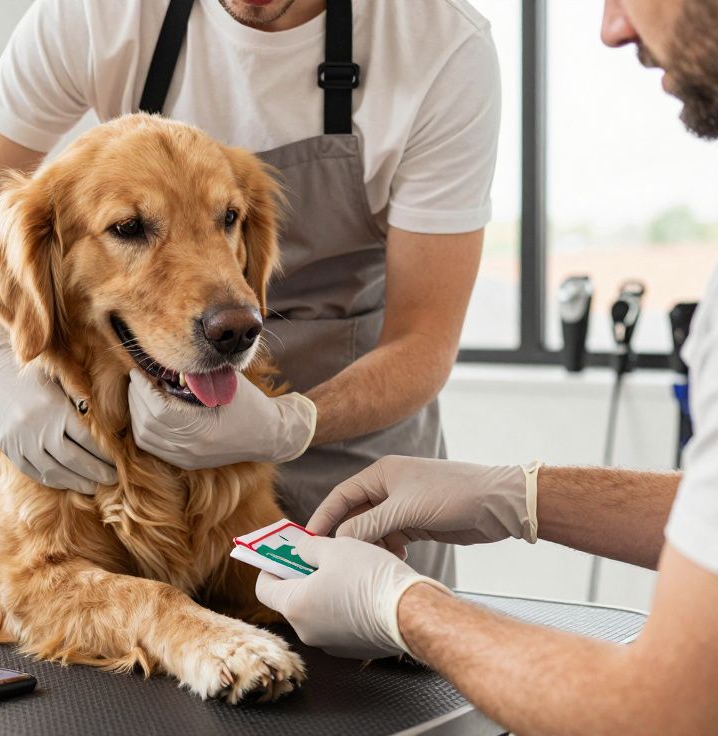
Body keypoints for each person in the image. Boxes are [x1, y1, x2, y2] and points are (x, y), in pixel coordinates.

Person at [0, 0, 503, 584]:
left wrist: (290, 423)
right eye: (132, 227)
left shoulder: (440, 45)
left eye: (226, 219)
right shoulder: (102, 14)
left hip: (358, 456)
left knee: (378, 667)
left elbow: (424, 340)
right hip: (152, 439)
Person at [255, 1, 718, 730]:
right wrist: (519, 496)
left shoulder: (439, 44)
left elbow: (664, 711)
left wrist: (400, 605)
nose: (611, 28)